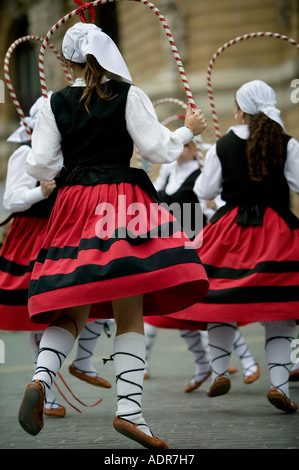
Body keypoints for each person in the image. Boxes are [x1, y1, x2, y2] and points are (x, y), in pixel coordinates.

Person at [18, 22, 208, 449]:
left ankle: (41, 379)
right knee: (129, 306)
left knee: (74, 306)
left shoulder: (52, 104)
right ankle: (130, 412)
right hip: (121, 203)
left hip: (74, 205)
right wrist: (188, 130)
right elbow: (157, 150)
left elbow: (42, 166)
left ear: (68, 62)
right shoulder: (129, 95)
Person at [192, 79, 299, 412]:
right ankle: (280, 386)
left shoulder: (221, 146)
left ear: (239, 110)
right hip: (276, 232)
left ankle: (220, 372)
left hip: (231, 231)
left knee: (220, 300)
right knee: (280, 310)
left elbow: (205, 192)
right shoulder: (286, 142)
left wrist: (208, 171)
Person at [0, 95, 65, 417]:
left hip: (60, 234)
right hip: (31, 239)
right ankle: (45, 392)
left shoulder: (62, 152)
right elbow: (11, 199)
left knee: (83, 308)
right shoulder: (25, 152)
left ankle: (76, 368)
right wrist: (41, 191)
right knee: (42, 313)